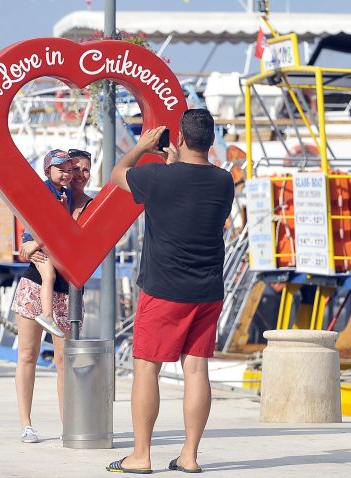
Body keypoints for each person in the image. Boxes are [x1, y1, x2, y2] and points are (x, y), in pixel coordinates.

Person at [105, 109, 234, 474]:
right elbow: (194, 186)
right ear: (210, 140)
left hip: (163, 287)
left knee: (146, 367)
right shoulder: (224, 181)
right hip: (207, 288)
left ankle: (141, 456)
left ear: (179, 136)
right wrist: (176, 161)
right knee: (196, 369)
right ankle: (189, 456)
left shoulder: (156, 176)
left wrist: (142, 148)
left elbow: (116, 176)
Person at [11, 150, 93, 444]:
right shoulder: (54, 197)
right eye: (75, 168)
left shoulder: (91, 206)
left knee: (64, 361)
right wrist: (30, 243)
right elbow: (32, 224)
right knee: (28, 355)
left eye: (84, 170)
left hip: (68, 288)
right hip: (36, 284)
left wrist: (36, 242)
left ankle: (68, 423)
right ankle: (26, 424)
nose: (79, 175)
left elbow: (82, 243)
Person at [20, 149, 74, 338]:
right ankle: (47, 315)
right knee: (49, 275)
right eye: (60, 169)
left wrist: (65, 207)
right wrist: (35, 243)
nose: (66, 174)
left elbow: (64, 224)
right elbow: (44, 222)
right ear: (47, 171)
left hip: (46, 242)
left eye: (69, 170)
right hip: (36, 240)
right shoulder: (43, 190)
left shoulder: (65, 194)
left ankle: (47, 315)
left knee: (49, 275)